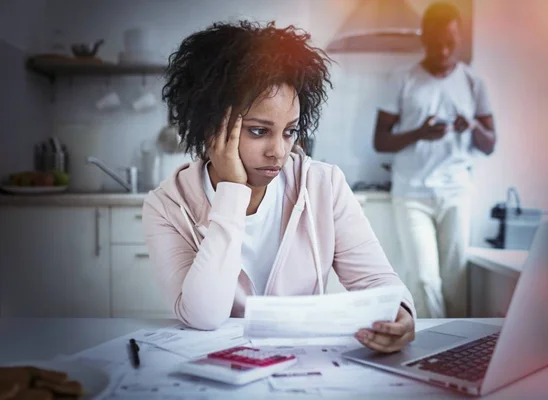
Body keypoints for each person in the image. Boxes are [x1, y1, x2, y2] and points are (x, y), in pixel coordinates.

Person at [142, 21, 416, 353]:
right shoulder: (167, 206)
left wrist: (400, 314)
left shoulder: (322, 185)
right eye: (259, 131)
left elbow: (381, 284)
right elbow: (202, 316)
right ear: (210, 127)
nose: (279, 151)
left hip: (305, 371)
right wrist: (231, 190)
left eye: (289, 131)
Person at [373, 2, 496, 318]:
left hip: (456, 191)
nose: (443, 51)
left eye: (450, 43)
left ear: (459, 40)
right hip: (411, 193)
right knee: (425, 280)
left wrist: (470, 124)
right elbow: (380, 140)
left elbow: (489, 144)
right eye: (436, 43)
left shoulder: (473, 82)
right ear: (424, 40)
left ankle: (455, 352)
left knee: (456, 280)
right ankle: (431, 350)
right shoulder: (402, 80)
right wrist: (418, 134)